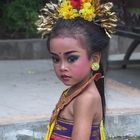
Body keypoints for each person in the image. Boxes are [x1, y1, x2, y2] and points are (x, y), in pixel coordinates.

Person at [36, 0, 117, 140]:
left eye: (72, 58)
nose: (62, 67)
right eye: (56, 59)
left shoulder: (86, 99)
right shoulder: (75, 91)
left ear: (94, 59)